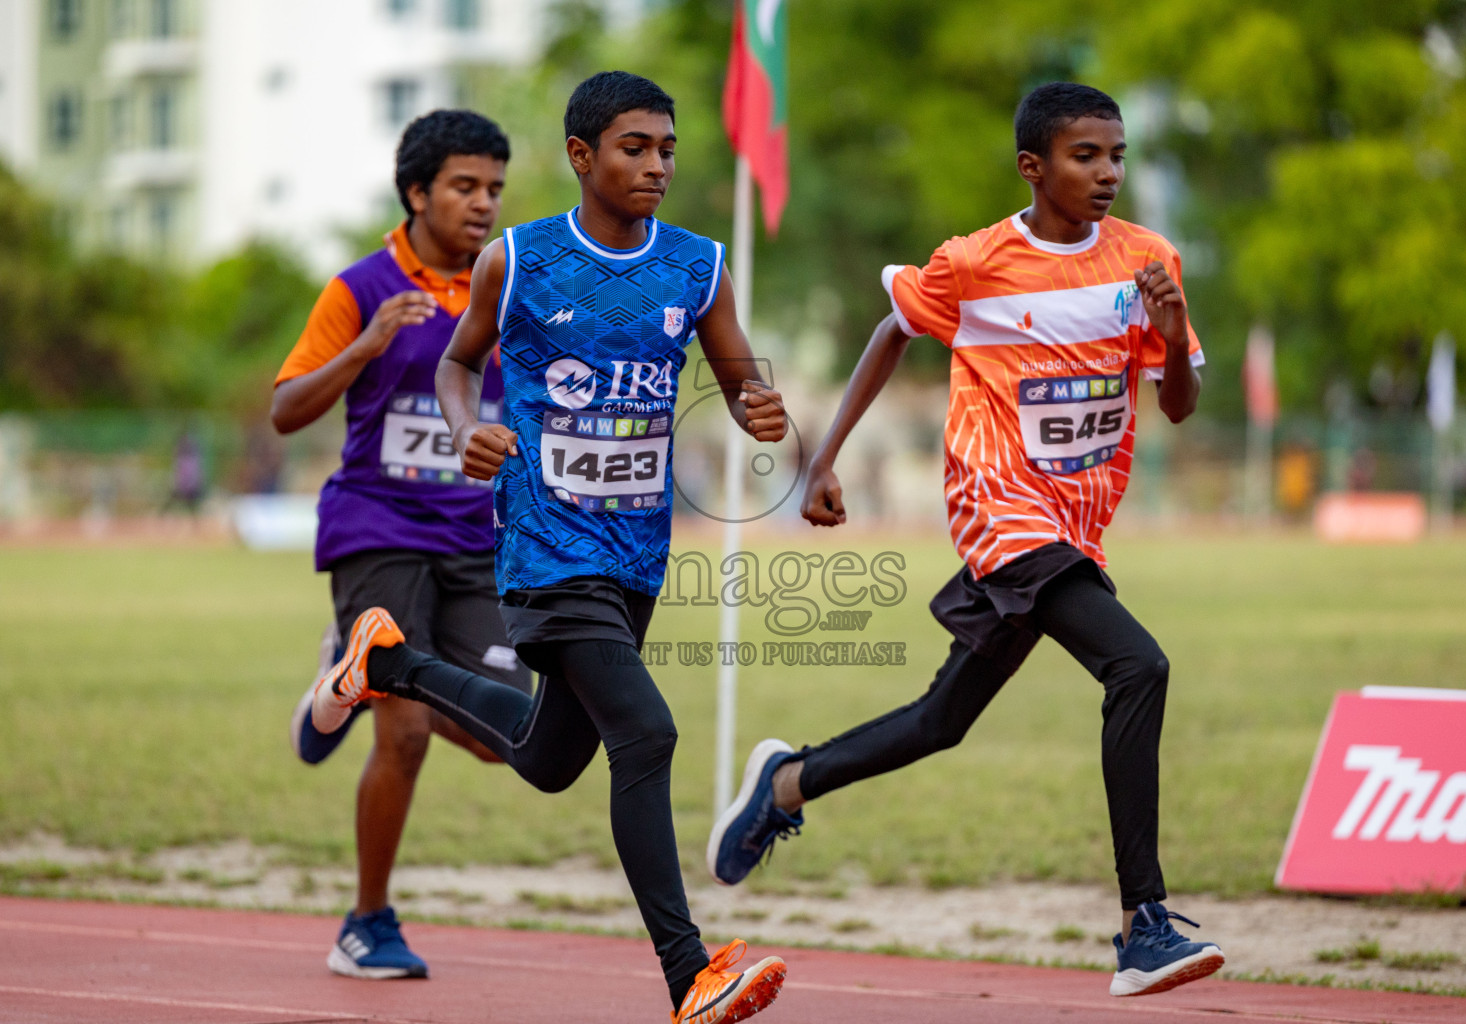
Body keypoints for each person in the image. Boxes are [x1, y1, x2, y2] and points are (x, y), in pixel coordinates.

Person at [706, 82, 1226, 999]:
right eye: (1084, 156)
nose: (1106, 174)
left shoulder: (1150, 260)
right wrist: (821, 461)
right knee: (1138, 665)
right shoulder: (976, 261)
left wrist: (1173, 328)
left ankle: (786, 785)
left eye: (1117, 157)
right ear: (1034, 166)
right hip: (1001, 509)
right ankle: (1144, 925)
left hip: (1075, 523)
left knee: (942, 723)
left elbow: (1177, 405)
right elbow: (891, 330)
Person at [309, 72, 789, 1023]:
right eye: (634, 147)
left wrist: (759, 409)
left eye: (667, 148)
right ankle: (690, 972)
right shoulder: (520, 261)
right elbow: (458, 361)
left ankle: (392, 662)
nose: (655, 164)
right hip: (544, 541)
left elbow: (739, 378)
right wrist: (462, 429)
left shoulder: (698, 265)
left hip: (637, 549)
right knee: (645, 733)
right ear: (582, 156)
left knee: (544, 756)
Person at [272, 109, 532, 980]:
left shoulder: (512, 292)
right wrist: (369, 344)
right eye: (464, 186)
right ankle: (367, 923)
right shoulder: (359, 287)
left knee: (510, 736)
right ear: (417, 192)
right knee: (408, 729)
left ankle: (341, 674)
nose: (483, 203)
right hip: (378, 527)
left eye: (494, 188)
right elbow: (286, 409)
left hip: (473, 536)